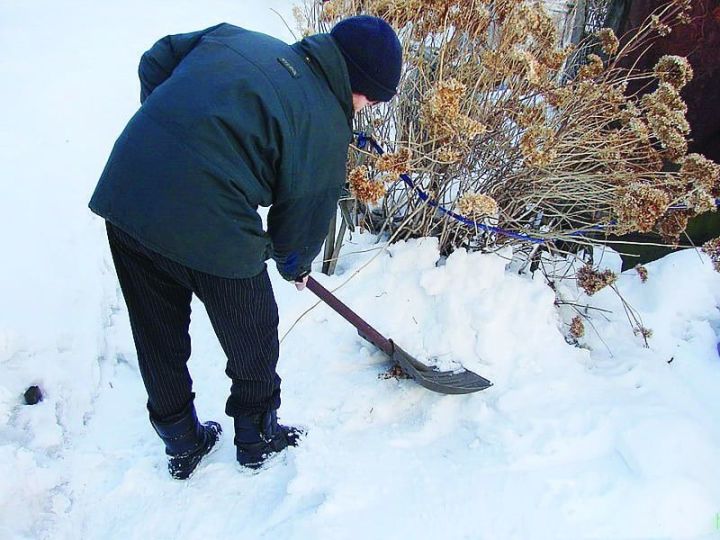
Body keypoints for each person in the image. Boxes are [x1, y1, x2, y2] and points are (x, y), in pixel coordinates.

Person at [88, 15, 402, 479]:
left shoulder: (235, 39)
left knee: (156, 330)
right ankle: (257, 436)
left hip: (130, 192)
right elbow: (301, 221)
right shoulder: (324, 125)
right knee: (253, 329)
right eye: (369, 98)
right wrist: (294, 265)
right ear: (357, 83)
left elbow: (157, 59)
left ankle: (181, 441)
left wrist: (175, 135)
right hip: (209, 219)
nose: (363, 108)